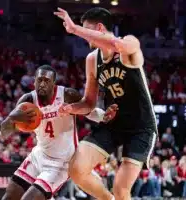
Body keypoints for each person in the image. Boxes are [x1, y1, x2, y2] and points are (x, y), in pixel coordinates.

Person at [55, 7, 157, 200]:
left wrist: (75, 28)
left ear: (99, 28)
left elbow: (117, 45)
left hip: (140, 127)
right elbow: (89, 102)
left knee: (121, 188)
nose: (85, 38)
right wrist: (71, 108)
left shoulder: (129, 45)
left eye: (87, 31)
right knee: (77, 169)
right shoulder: (92, 60)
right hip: (113, 124)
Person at [0, 65, 118, 200]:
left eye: (46, 81)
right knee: (9, 197)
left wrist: (104, 116)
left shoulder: (67, 95)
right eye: (40, 80)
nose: (42, 84)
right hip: (39, 155)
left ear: (53, 83)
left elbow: (89, 111)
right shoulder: (28, 100)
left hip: (62, 161)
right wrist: (12, 118)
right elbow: (5, 131)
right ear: (34, 82)